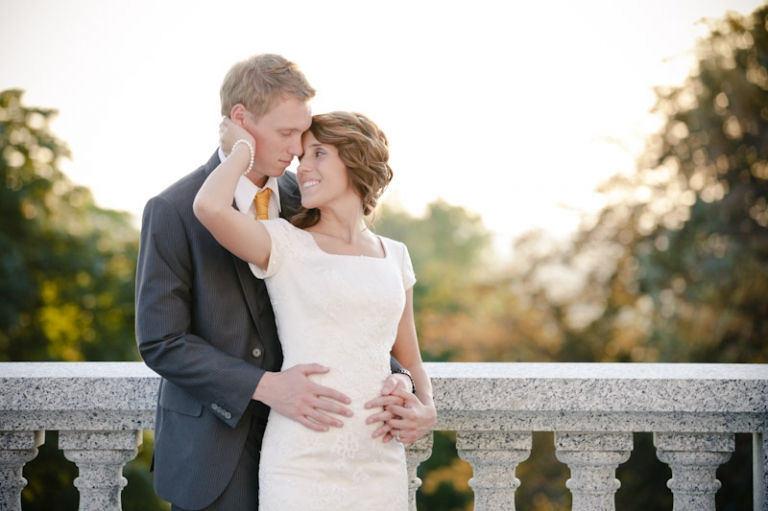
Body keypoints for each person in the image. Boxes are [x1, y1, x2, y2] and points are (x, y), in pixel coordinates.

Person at [136, 53, 436, 511]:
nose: (299, 151)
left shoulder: (308, 195)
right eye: (287, 133)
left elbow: (350, 306)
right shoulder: (173, 209)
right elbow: (162, 340)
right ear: (240, 120)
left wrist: (404, 387)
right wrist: (266, 386)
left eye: (305, 136)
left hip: (333, 434)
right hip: (218, 444)